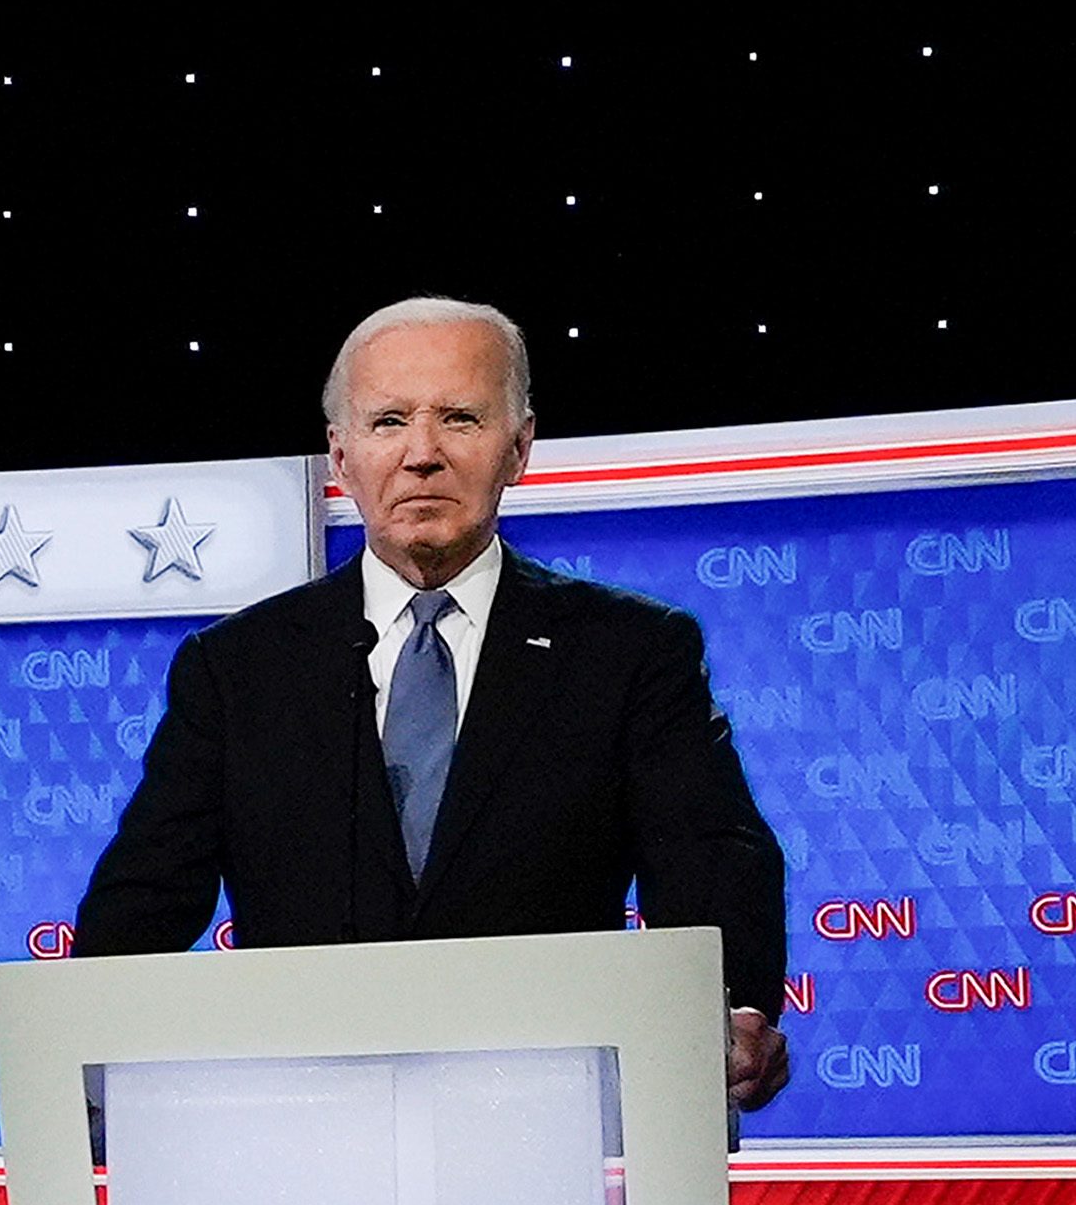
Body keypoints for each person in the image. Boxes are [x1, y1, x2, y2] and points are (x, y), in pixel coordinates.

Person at [71, 297, 791, 1111]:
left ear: (518, 448)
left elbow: (712, 862)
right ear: (339, 456)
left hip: (548, 1119)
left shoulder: (630, 652)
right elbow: (144, 899)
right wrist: (82, 1041)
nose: (422, 455)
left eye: (459, 417)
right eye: (387, 422)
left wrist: (732, 1011)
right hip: (298, 1130)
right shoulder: (237, 669)